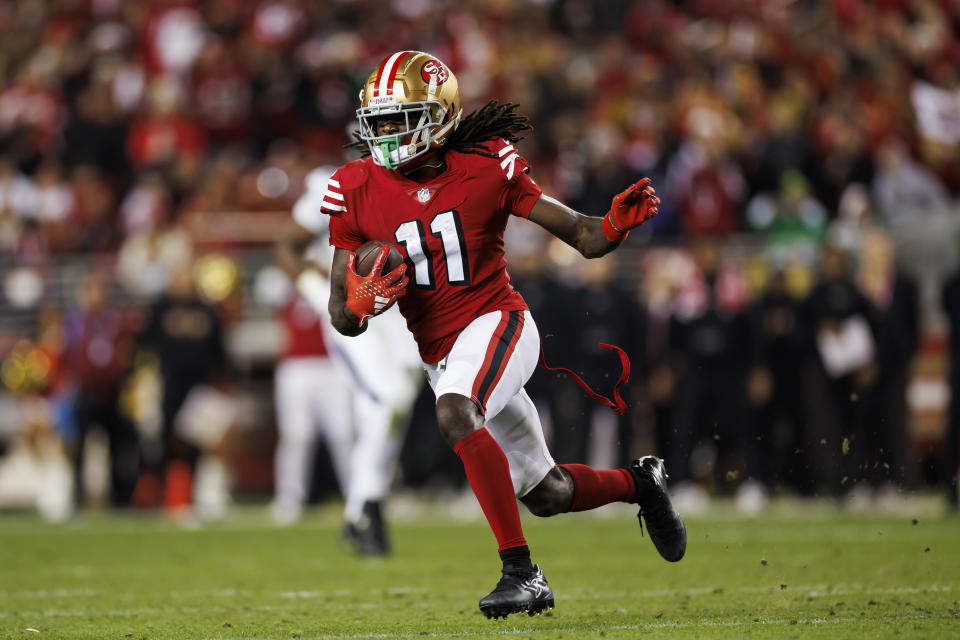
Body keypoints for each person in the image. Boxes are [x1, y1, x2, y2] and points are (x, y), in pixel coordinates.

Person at [319, 51, 686, 619]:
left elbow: (584, 237)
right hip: (441, 353)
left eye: (401, 119)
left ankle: (523, 573)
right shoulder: (353, 185)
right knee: (548, 493)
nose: (387, 134)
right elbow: (342, 316)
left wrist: (614, 224)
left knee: (454, 411)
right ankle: (642, 483)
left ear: (438, 115)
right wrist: (361, 303)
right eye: (380, 121)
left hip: (497, 322)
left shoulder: (487, 163)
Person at [276, 165, 423, 554]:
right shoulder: (337, 183)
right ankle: (366, 505)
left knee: (391, 407)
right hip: (354, 312)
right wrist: (318, 293)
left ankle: (361, 508)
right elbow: (288, 245)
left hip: (404, 315)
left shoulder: (430, 178)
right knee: (387, 398)